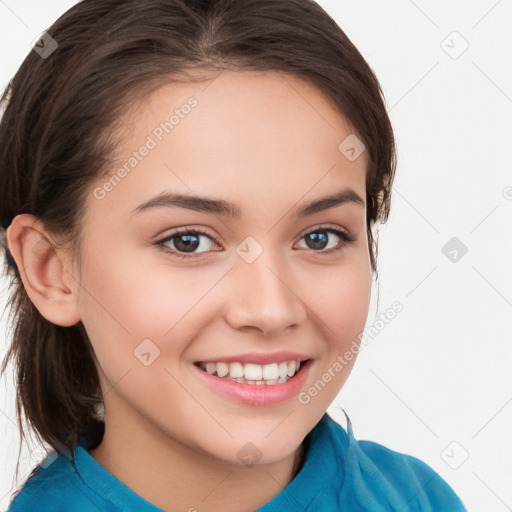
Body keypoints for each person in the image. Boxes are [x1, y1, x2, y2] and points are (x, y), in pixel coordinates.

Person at [0, 0, 467, 510]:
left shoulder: (417, 497)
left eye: (320, 237)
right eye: (188, 241)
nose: (270, 309)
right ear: (50, 270)